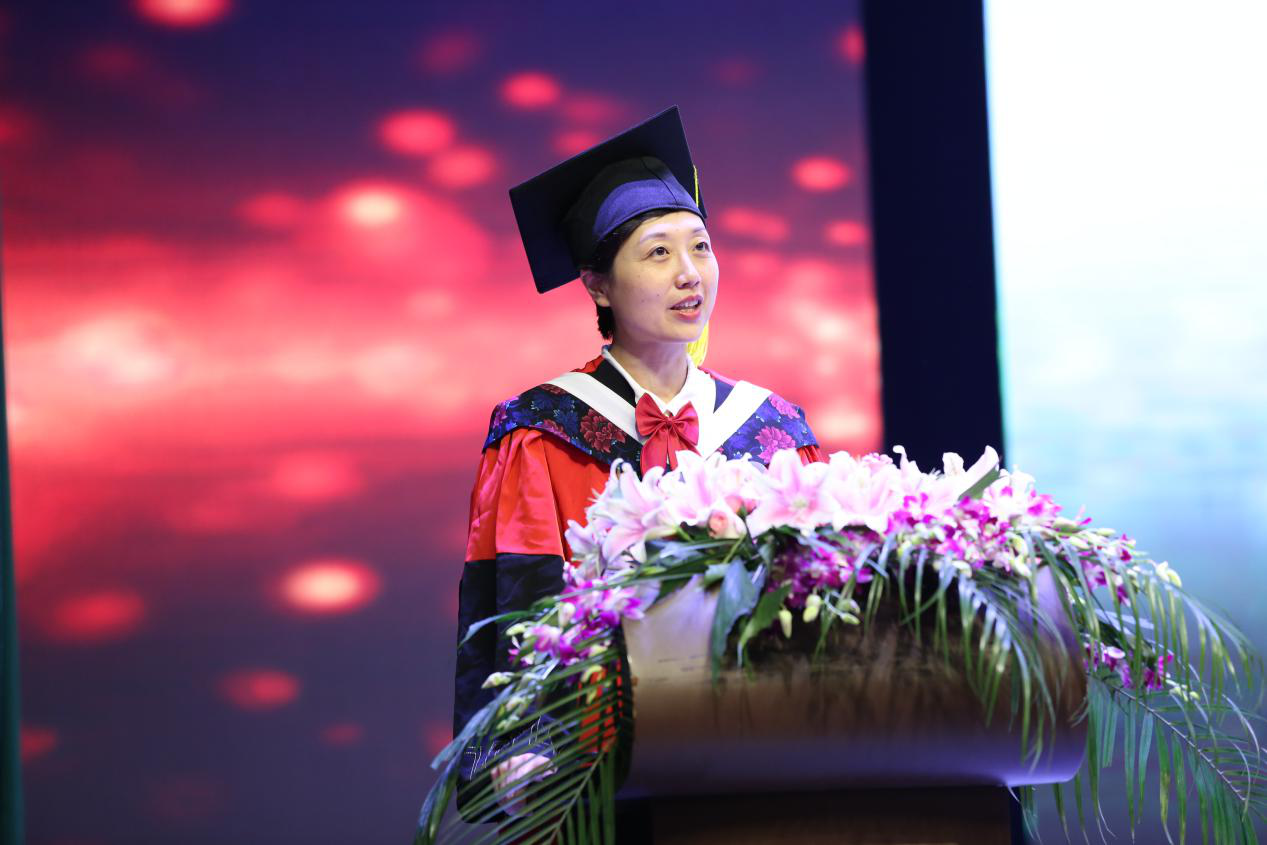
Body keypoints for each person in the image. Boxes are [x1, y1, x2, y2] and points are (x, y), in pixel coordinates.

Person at [452, 106, 824, 837]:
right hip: (600, 776)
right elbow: (523, 611)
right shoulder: (541, 431)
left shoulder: (773, 428)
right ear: (597, 285)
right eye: (657, 253)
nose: (689, 274)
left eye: (700, 247)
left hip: (765, 770)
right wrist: (525, 752)